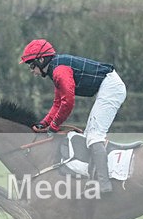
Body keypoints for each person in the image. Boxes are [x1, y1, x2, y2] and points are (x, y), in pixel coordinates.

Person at [20, 39, 126, 193]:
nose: (32, 71)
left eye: (31, 65)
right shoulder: (55, 70)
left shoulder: (59, 71)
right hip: (106, 87)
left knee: (94, 137)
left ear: (41, 60)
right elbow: (58, 103)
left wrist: (54, 126)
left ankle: (105, 185)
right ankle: (94, 177)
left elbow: (68, 103)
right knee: (89, 136)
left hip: (111, 88)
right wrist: (44, 123)